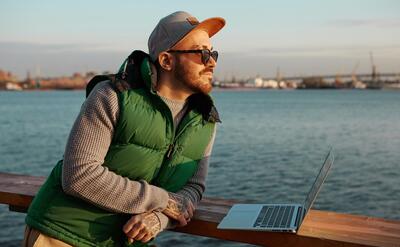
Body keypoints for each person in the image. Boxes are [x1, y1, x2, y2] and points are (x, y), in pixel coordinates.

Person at [23, 11, 225, 247]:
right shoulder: (113, 96)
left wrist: (159, 218)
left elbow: (192, 189)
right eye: (201, 53)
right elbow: (79, 175)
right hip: (62, 234)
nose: (211, 61)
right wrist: (161, 200)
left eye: (213, 53)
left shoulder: (204, 118)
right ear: (167, 60)